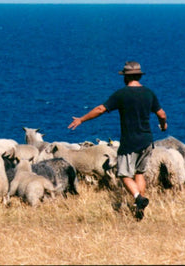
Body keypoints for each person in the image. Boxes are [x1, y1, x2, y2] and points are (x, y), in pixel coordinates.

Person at [67, 61, 167, 220]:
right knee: (139, 173)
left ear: (125, 78)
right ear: (139, 75)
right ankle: (139, 209)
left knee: (123, 173)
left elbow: (101, 109)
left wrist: (81, 119)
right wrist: (163, 126)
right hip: (147, 140)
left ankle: (138, 198)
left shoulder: (122, 94)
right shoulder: (149, 93)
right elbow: (162, 114)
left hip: (129, 140)